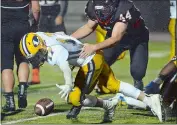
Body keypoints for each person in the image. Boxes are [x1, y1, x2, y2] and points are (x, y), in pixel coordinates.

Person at [19, 32, 162, 122]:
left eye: (37, 55)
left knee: (74, 97)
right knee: (114, 85)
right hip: (95, 56)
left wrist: (68, 85)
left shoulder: (55, 50)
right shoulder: (41, 36)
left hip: (90, 61)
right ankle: (148, 100)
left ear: (41, 45)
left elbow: (65, 69)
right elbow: (62, 34)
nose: (37, 59)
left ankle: (109, 104)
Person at [71, 0, 149, 91]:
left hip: (137, 38)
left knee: (137, 72)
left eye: (105, 9)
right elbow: (89, 27)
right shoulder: (92, 5)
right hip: (113, 35)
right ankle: (93, 85)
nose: (102, 13)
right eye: (99, 10)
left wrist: (93, 47)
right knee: (100, 62)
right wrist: (68, 38)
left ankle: (138, 84)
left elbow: (115, 38)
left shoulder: (123, 8)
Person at [1, 0, 40, 112]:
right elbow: (36, 8)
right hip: (23, 27)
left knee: (6, 65)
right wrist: (36, 24)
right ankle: (22, 89)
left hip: (4, 28)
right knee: (23, 60)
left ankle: (10, 102)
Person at [31, 0, 68, 84]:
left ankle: (69, 74)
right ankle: (35, 76)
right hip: (41, 17)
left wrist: (61, 15)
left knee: (64, 44)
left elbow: (64, 2)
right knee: (36, 46)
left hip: (55, 14)